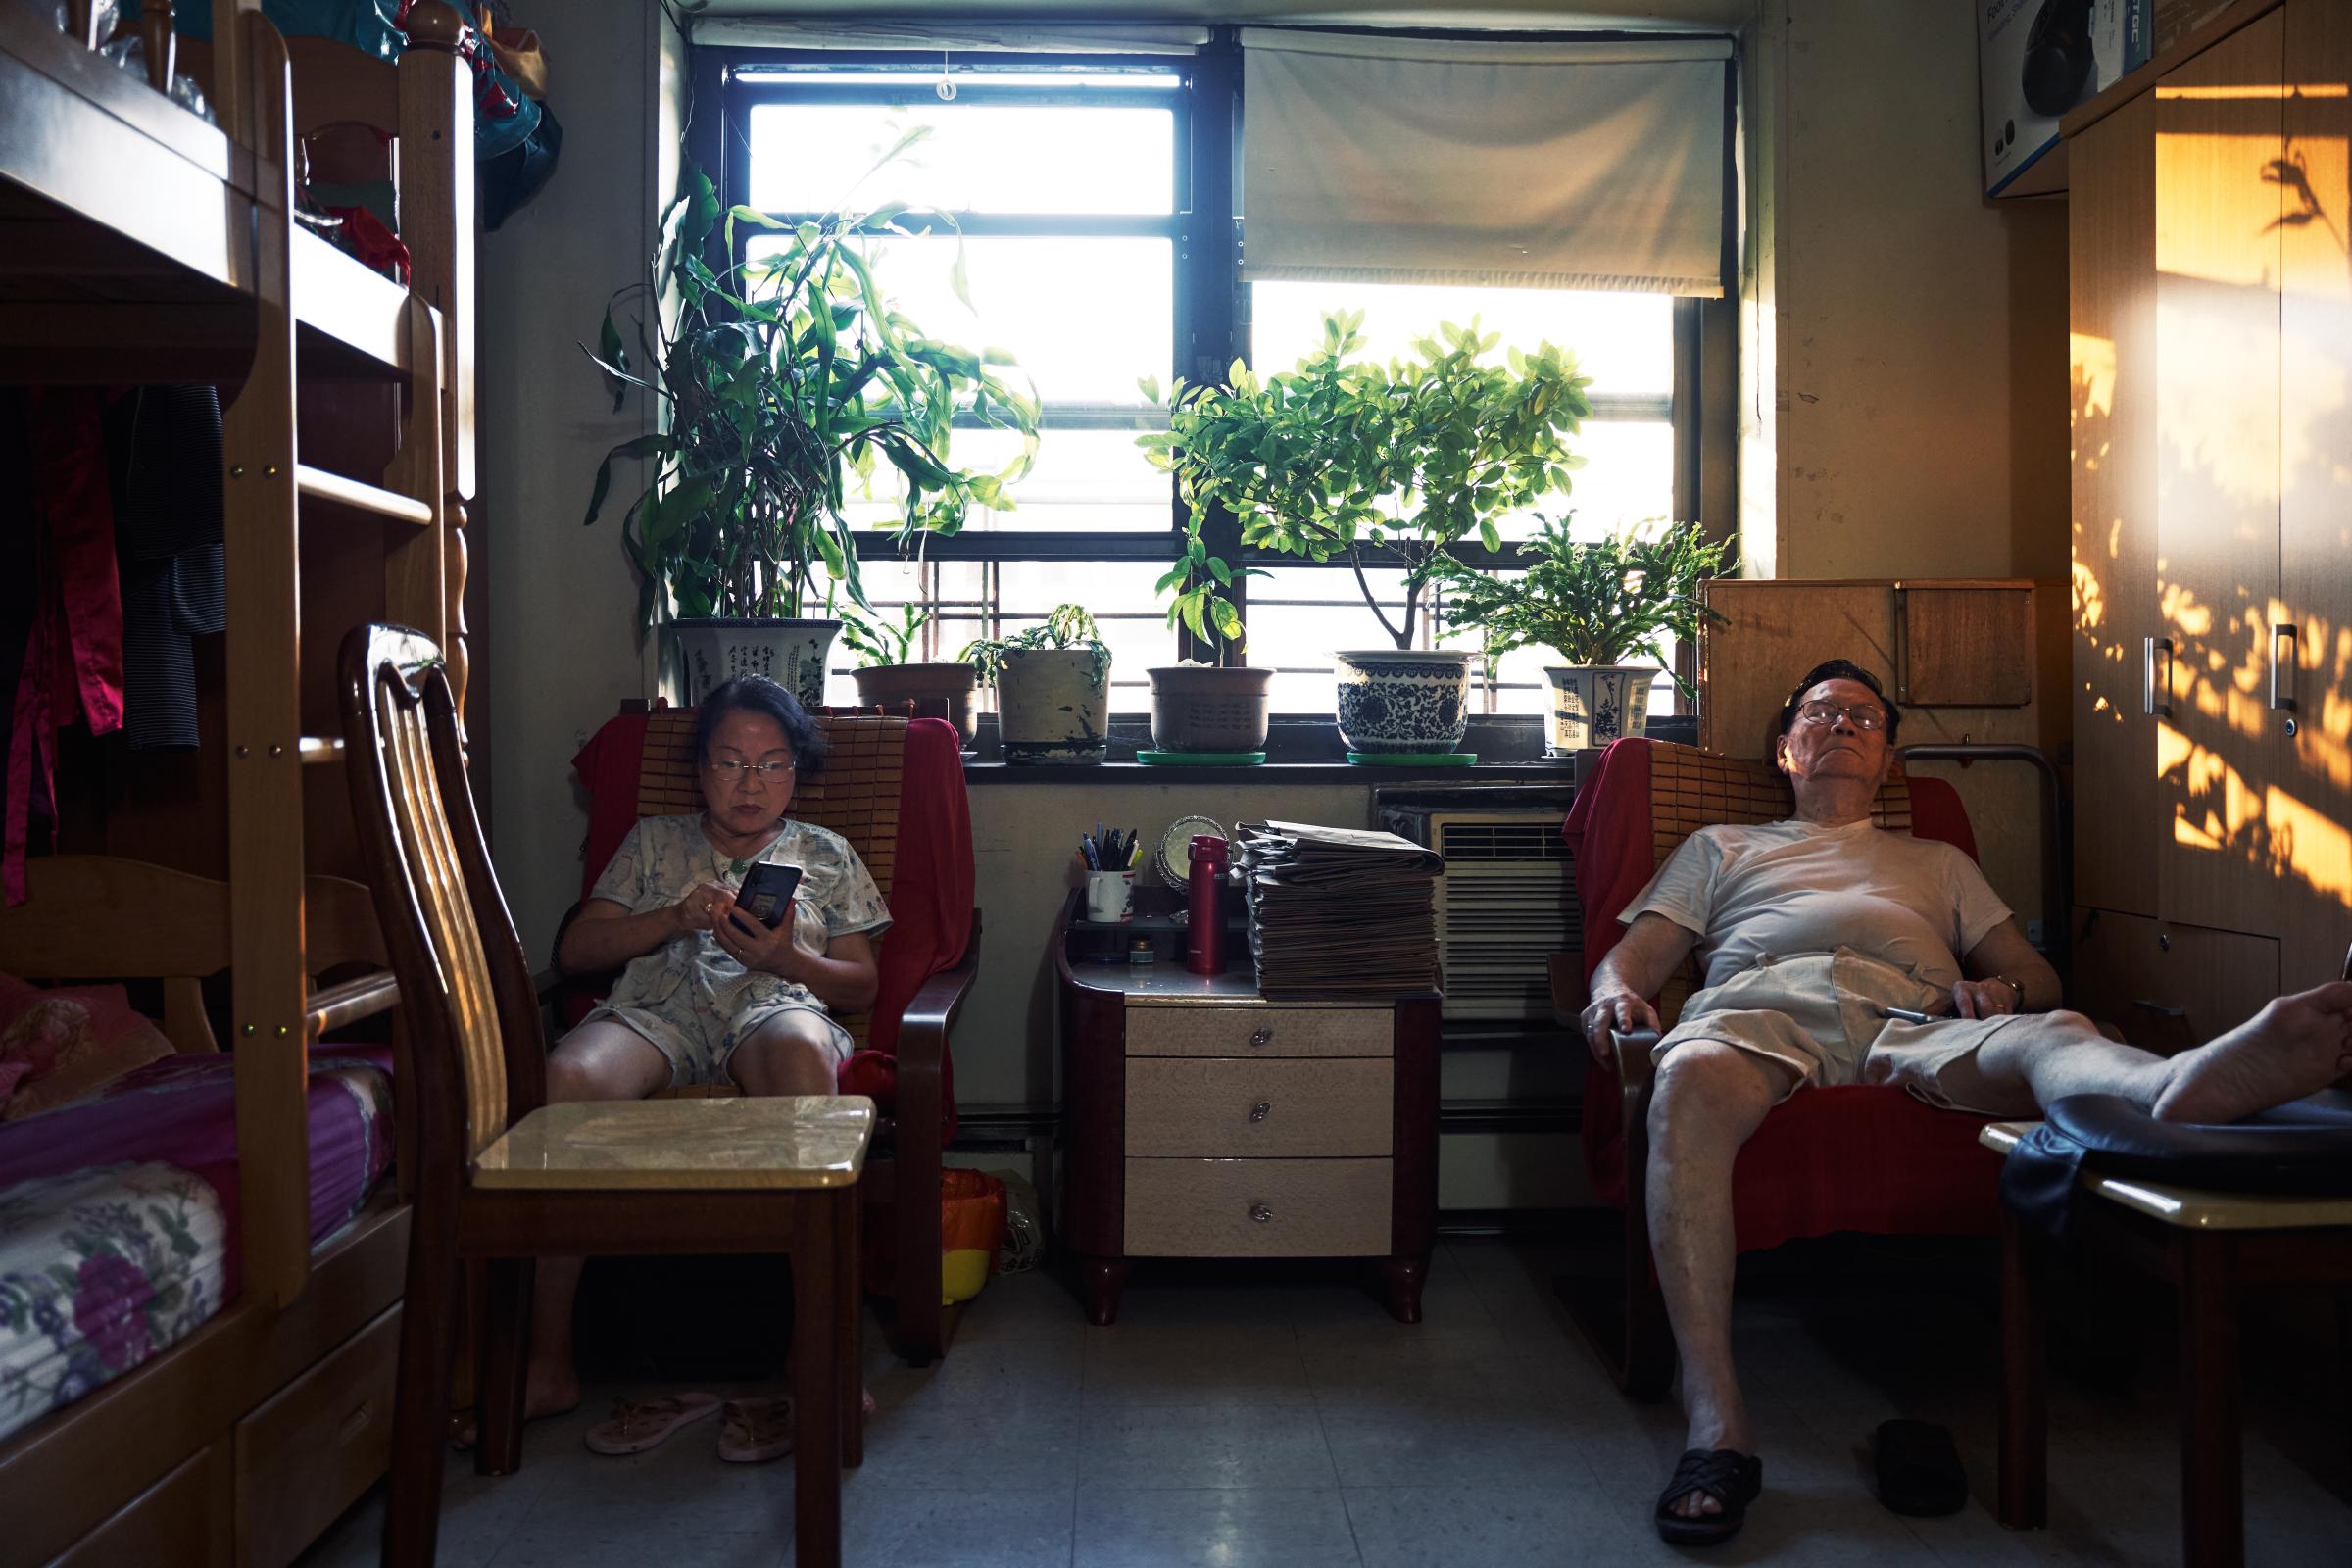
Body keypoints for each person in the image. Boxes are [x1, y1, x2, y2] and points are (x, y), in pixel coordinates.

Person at [1579, 659, 2352, 1545]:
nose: (1840, 727)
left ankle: (2175, 1085)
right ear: (1784, 748)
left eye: (1863, 719)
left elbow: (2032, 973)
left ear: (1887, 759)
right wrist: (1612, 998)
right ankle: (1715, 1417)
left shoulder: (1936, 860)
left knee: (2055, 1025)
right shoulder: (1721, 846)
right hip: (1762, 1007)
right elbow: (1630, 964)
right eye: (1820, 715)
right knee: (1684, 1075)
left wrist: (2008, 996)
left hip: (1914, 1012)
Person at [490, 675, 890, 1457]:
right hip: (656, 1011)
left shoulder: (825, 852)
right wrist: (672, 916)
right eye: (731, 763)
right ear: (701, 768)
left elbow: (863, 982)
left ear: (796, 772)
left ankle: (819, 1353)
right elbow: (575, 952)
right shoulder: (651, 842)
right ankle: (547, 1364)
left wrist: (790, 956)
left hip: (772, 1004)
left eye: (773, 764)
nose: (751, 784)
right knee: (562, 1080)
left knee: (806, 1058)